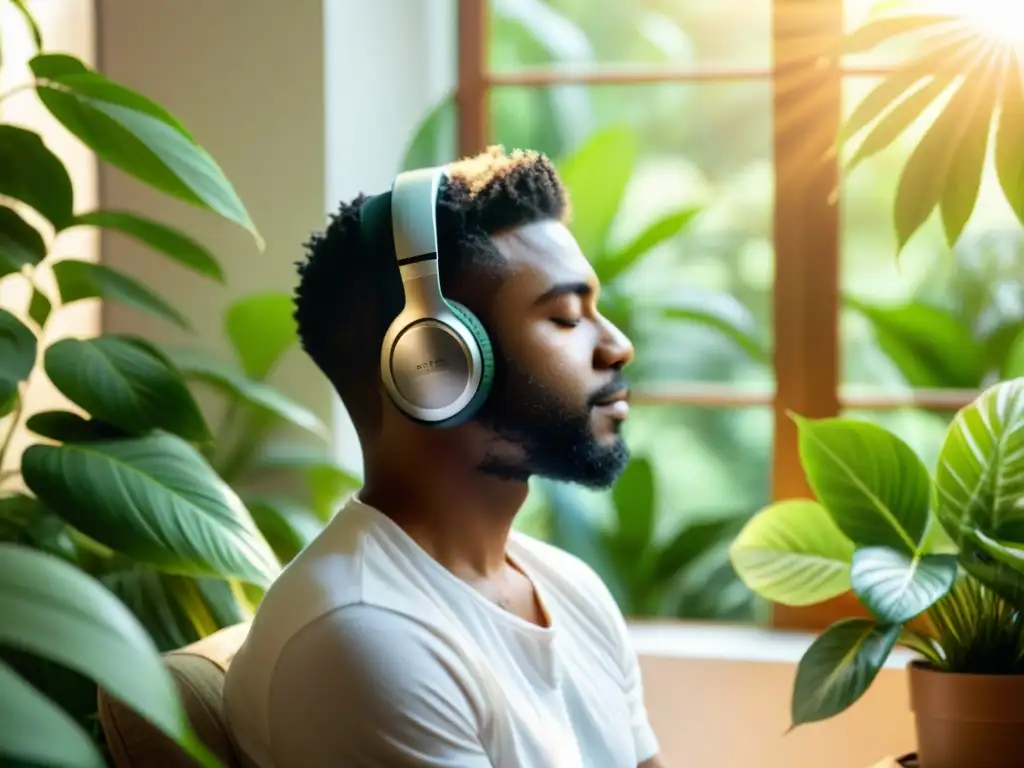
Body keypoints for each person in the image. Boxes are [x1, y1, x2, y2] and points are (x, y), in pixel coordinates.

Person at [223, 146, 664, 768]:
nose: (618, 346)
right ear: (434, 362)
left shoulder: (571, 589)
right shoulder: (366, 637)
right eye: (566, 316)